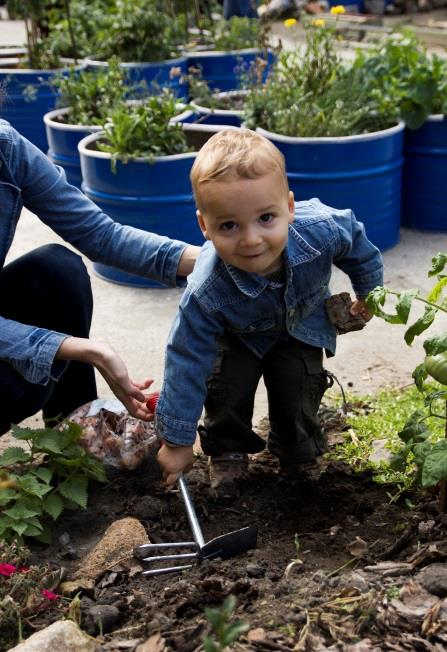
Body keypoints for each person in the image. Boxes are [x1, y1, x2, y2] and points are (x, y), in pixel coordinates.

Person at [154, 128, 383, 490]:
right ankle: (229, 450)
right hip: (237, 336)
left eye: (266, 218)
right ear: (204, 226)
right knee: (227, 389)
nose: (251, 239)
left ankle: (296, 450)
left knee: (299, 388)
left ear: (289, 208)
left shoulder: (321, 229)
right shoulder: (205, 289)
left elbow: (356, 241)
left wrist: (369, 292)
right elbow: (185, 360)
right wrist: (177, 440)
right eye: (229, 225)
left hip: (302, 325)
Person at [0, 117, 199, 436]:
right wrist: (81, 349)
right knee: (26, 376)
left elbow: (101, 235)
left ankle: (77, 439)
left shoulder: (5, 148)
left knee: (55, 270)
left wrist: (212, 259)